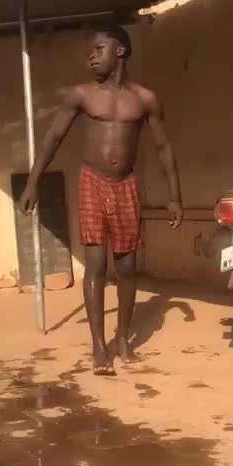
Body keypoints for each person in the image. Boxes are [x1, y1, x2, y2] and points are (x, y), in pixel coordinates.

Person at [20, 25, 182, 375]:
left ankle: (123, 339)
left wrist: (175, 197)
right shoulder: (81, 95)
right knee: (95, 264)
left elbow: (163, 146)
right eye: (90, 52)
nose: (91, 56)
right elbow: (53, 138)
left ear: (119, 51)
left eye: (98, 49)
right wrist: (33, 183)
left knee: (126, 267)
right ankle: (98, 346)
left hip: (126, 185)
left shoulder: (145, 99)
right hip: (92, 181)